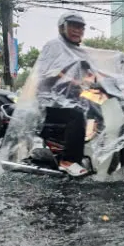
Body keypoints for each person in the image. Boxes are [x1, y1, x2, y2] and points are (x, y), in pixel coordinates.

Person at [34, 11, 94, 176]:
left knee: (97, 110)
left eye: (81, 28)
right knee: (77, 114)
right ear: (62, 28)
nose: (77, 31)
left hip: (70, 99)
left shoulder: (79, 51)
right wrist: (71, 80)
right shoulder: (54, 46)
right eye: (73, 26)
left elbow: (92, 71)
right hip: (49, 101)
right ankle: (68, 160)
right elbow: (48, 71)